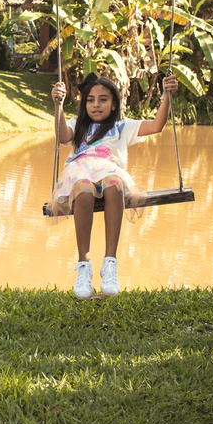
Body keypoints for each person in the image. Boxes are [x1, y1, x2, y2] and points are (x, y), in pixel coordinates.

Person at [49, 71, 179, 299]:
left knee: (114, 184)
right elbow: (63, 136)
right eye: (90, 100)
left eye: (103, 100)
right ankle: (84, 266)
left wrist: (167, 95)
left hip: (110, 173)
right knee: (84, 190)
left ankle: (110, 264)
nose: (96, 105)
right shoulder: (77, 124)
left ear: (114, 104)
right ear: (84, 104)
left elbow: (157, 126)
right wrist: (58, 105)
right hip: (80, 174)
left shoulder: (122, 126)